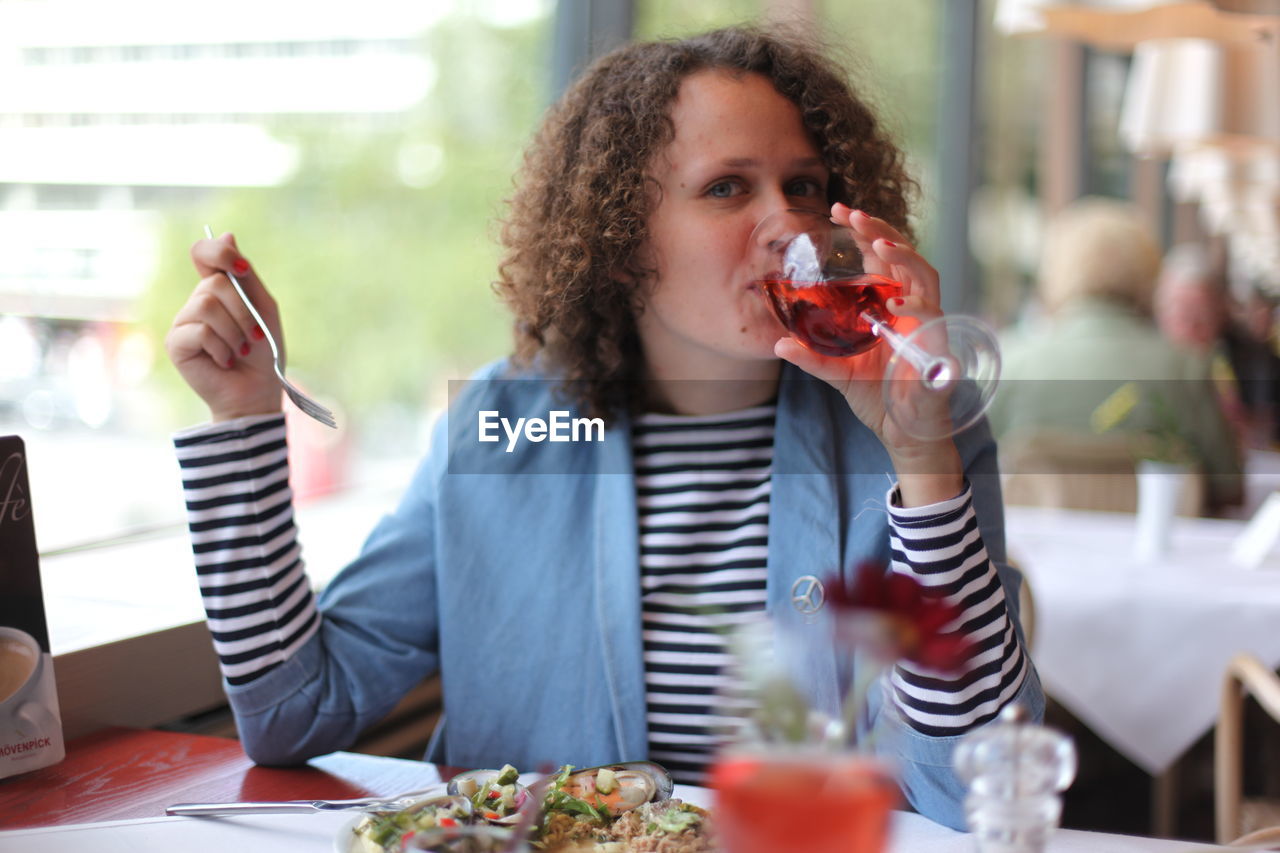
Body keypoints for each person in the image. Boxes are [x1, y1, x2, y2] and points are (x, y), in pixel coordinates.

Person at [164, 25, 1039, 831]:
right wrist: (242, 419)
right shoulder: (506, 429)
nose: (790, 225)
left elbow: (970, 787)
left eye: (804, 186)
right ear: (622, 240)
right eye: (728, 187)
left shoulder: (910, 441)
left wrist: (924, 456)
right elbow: (291, 711)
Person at [989, 197, 1243, 511]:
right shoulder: (1188, 366)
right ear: (1148, 272)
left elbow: (965, 480)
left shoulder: (1005, 362)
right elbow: (1230, 488)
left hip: (1028, 557)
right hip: (1168, 557)